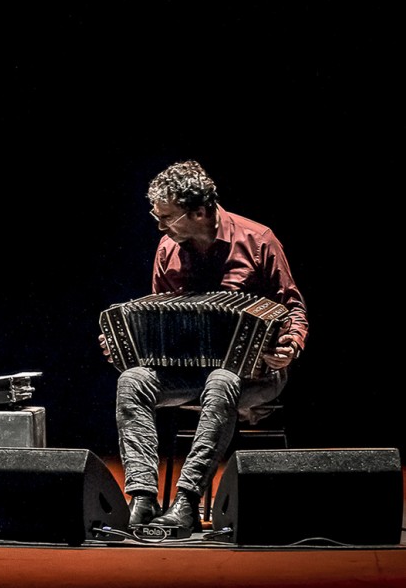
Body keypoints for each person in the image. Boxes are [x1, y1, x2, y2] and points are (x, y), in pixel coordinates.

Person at [100, 159, 308, 536]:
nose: (160, 226)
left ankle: (187, 501)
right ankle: (142, 497)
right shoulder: (167, 248)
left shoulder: (258, 239)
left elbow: (293, 308)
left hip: (255, 372)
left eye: (168, 217)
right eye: (156, 215)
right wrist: (125, 344)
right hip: (186, 373)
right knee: (132, 380)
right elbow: (157, 317)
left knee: (222, 381)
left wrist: (289, 345)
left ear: (199, 211)